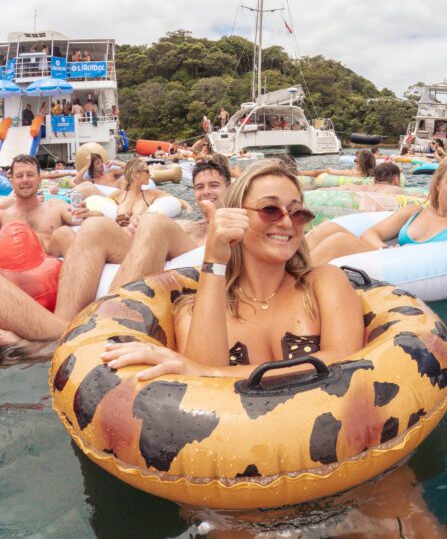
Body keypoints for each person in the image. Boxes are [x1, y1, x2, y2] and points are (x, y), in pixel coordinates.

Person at [100, 161, 364, 380]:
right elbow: (199, 392)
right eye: (270, 209)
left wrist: (211, 373)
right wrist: (215, 259)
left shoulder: (324, 282)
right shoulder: (193, 308)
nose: (286, 222)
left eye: (298, 213)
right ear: (236, 215)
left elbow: (345, 361)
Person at [2, 158, 232, 347]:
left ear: (230, 188)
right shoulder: (186, 225)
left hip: (184, 254)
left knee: (155, 224)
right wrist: (133, 228)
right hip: (158, 251)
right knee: (95, 228)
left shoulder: (236, 227)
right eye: (200, 187)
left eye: (214, 185)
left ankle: (83, 333)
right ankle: (62, 330)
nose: (206, 192)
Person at [308, 154, 447, 266]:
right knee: (328, 232)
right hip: (385, 266)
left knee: (339, 241)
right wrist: (384, 253)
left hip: (415, 282)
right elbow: (370, 234)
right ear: (438, 185)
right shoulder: (413, 211)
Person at [108, 157, 190, 227]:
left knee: (141, 204)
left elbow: (177, 200)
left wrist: (189, 210)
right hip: (122, 232)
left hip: (141, 230)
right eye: (147, 171)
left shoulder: (152, 193)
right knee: (126, 204)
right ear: (137, 173)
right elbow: (99, 203)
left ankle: (134, 218)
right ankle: (122, 217)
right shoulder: (118, 194)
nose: (150, 174)